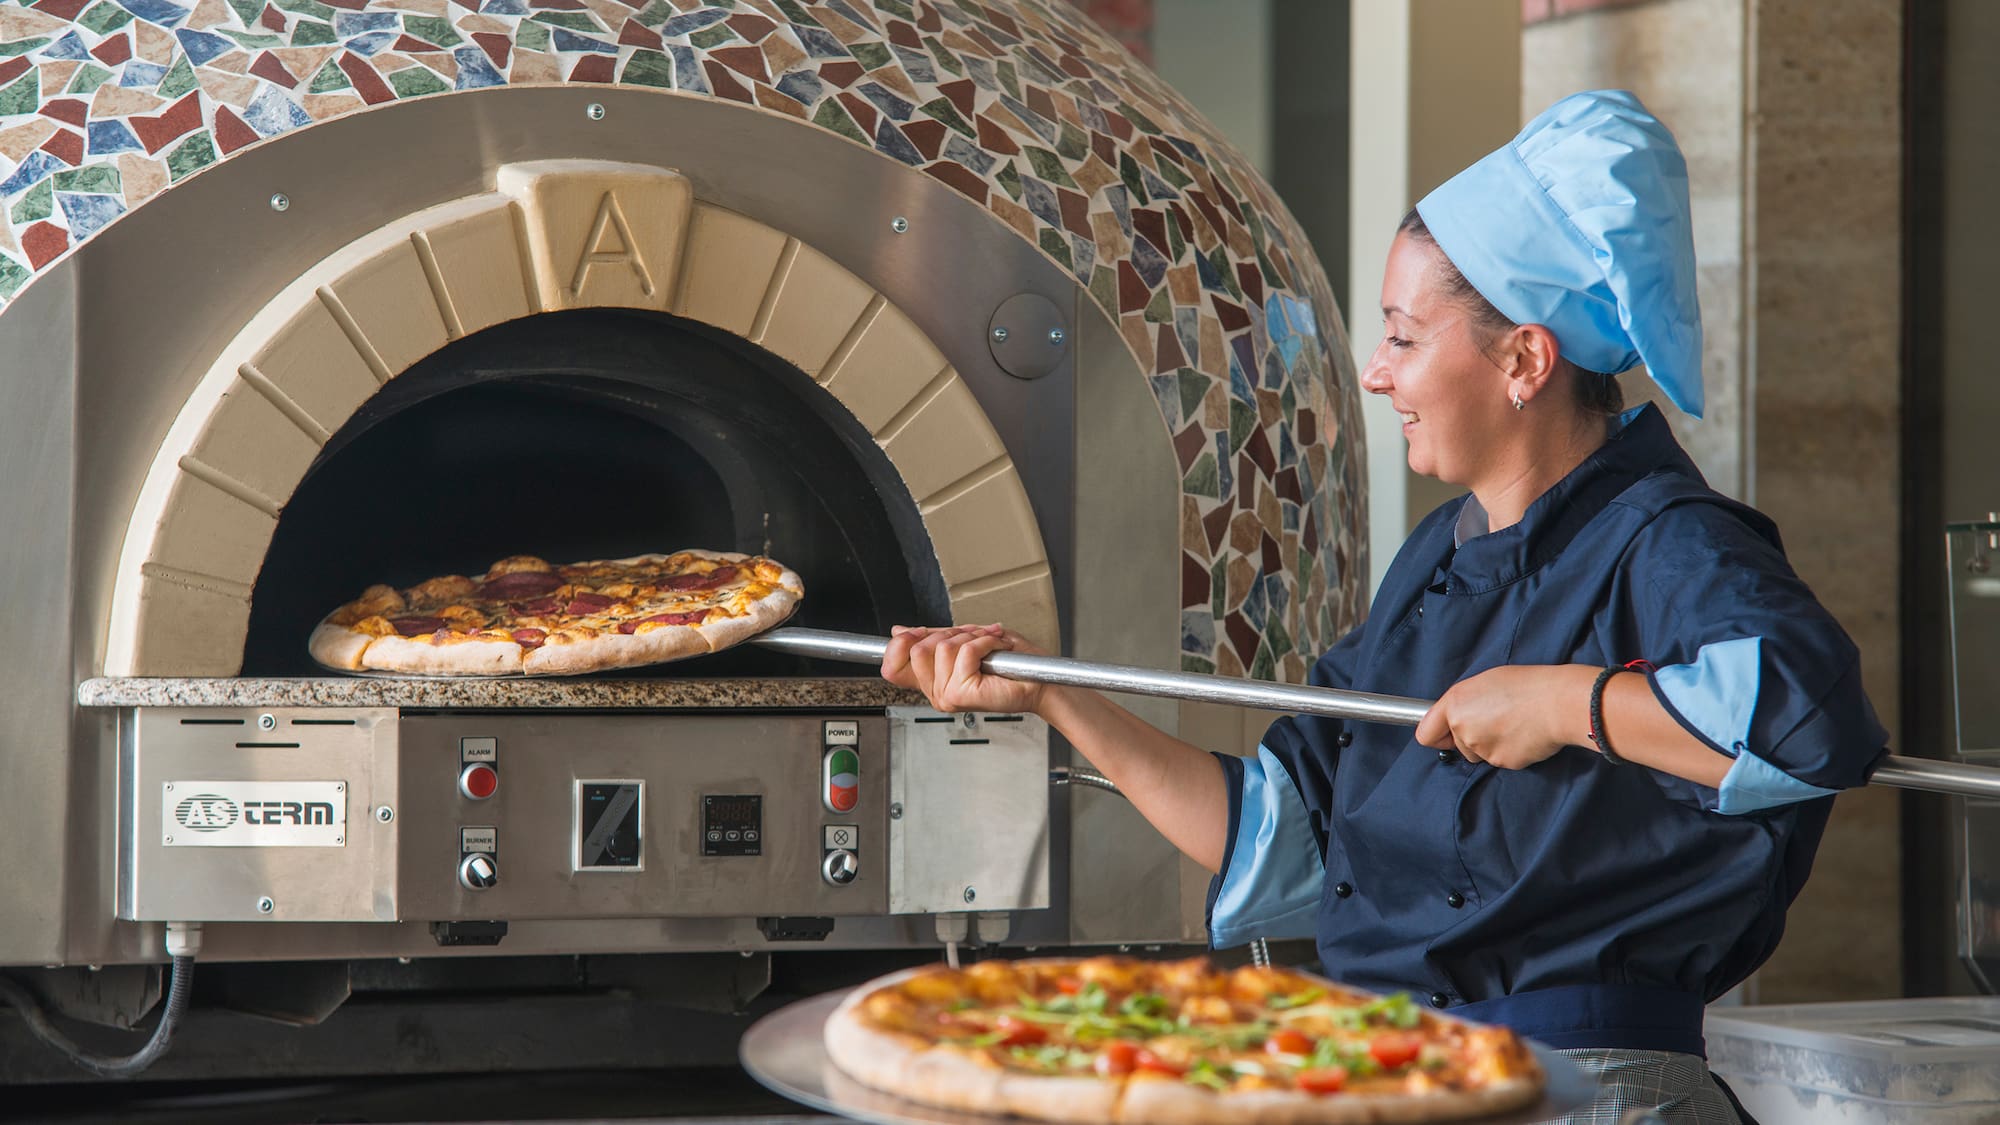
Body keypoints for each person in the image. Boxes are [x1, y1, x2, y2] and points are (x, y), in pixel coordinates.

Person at [880, 90, 1885, 1123]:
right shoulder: (1434, 559)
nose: (1373, 373)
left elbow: (1804, 722)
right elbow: (1285, 834)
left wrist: (1562, 705)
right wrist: (1047, 694)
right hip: (1402, 1071)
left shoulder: (1669, 540)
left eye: (1402, 338)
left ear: (1522, 361)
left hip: (1588, 1093)